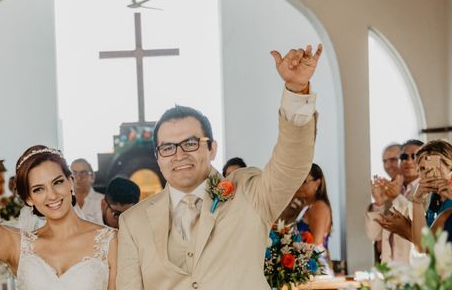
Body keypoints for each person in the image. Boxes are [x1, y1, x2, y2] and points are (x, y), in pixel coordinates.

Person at [117, 45, 321, 290]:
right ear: (158, 158)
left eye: (190, 143)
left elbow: (292, 164)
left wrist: (297, 90)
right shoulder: (133, 222)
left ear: (212, 148)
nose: (179, 154)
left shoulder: (249, 193)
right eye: (168, 147)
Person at [0, 145, 117, 289]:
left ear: (70, 182)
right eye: (39, 189)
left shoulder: (110, 241)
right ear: (29, 199)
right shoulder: (19, 245)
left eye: (58, 182)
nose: (52, 195)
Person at [366, 139, 423, 263]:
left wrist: (397, 198)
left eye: (414, 156)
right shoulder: (389, 189)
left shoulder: (428, 190)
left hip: (414, 267)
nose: (408, 161)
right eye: (404, 157)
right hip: (390, 268)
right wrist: (379, 203)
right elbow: (374, 235)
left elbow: (419, 227)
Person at [409, 140, 452, 250]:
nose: (428, 173)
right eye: (422, 169)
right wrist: (417, 200)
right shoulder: (432, 200)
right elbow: (421, 246)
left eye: (435, 166)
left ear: (450, 167)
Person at [295, 164, 333, 276]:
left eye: (304, 182)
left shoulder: (319, 206)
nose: (299, 186)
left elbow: (317, 242)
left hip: (316, 268)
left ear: (317, 183)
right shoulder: (307, 206)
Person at [71, 158, 105, 224]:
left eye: (83, 173)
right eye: (74, 173)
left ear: (92, 177)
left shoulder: (103, 201)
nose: (78, 177)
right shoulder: (63, 202)